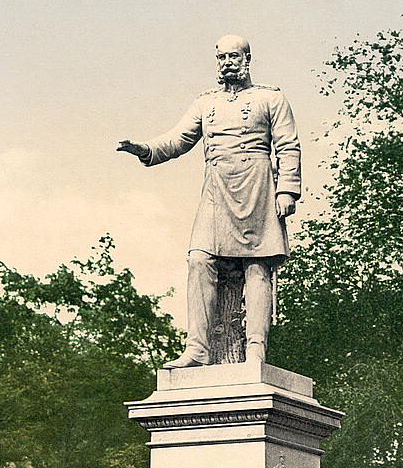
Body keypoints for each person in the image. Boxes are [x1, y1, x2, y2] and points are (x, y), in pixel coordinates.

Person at [118, 34, 301, 368]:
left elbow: (288, 145)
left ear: (248, 58)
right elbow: (179, 139)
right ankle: (197, 348)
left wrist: (286, 189)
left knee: (257, 266)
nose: (227, 62)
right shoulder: (206, 102)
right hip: (216, 189)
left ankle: (255, 348)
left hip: (256, 185)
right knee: (199, 260)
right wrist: (146, 149)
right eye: (220, 58)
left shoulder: (270, 98)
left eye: (233, 56)